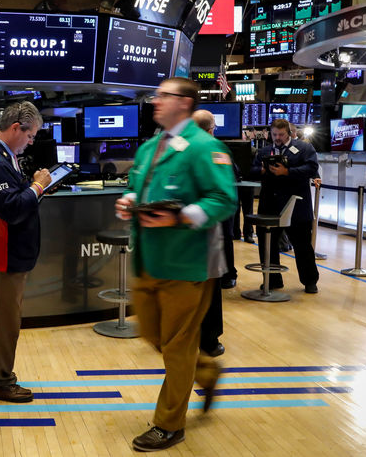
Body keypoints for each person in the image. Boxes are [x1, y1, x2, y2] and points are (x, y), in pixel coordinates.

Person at [116, 78, 237, 451]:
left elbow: (223, 197)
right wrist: (130, 200)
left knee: (177, 345)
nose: (156, 101)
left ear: (184, 103)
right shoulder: (151, 146)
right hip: (149, 262)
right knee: (154, 336)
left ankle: (169, 424)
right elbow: (143, 187)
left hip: (187, 264)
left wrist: (182, 216)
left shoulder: (205, 147)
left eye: (164, 96)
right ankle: (205, 371)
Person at [0, 101, 51, 403]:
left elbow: (14, 196)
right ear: (17, 128)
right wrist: (38, 187)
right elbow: (14, 209)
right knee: (6, 320)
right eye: (30, 137)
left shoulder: (4, 155)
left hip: (1, 249)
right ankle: (0, 380)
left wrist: (34, 186)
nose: (31, 143)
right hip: (3, 251)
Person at [250, 118, 320, 293]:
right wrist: (262, 170)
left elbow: (311, 169)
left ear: (289, 133)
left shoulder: (304, 148)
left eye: (281, 134)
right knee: (268, 245)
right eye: (274, 134)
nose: (278, 138)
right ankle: (272, 280)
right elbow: (251, 171)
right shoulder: (264, 151)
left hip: (296, 205)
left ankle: (310, 281)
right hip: (269, 205)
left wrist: (287, 172)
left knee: (302, 245)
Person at [192, 110, 232, 358]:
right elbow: (225, 196)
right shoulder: (215, 150)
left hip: (179, 238)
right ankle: (209, 340)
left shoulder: (176, 149)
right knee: (209, 290)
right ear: (211, 129)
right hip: (205, 234)